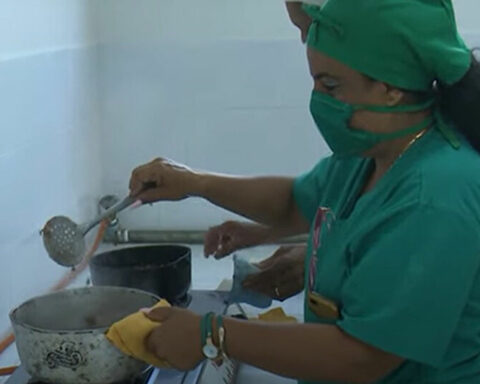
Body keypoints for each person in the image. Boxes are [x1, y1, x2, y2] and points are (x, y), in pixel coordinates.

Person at [129, 1, 480, 383]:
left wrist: (212, 334)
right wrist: (195, 183)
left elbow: (363, 357)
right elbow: (294, 201)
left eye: (330, 85)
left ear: (390, 88)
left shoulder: (435, 195)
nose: (318, 100)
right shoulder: (370, 153)